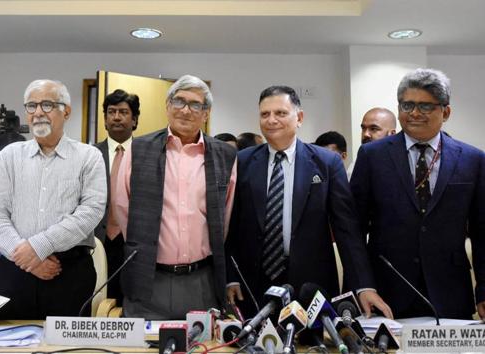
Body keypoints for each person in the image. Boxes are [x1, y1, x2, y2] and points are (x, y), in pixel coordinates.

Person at [226, 85, 392, 319]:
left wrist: (363, 285)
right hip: (252, 284)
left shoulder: (327, 163)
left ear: (299, 117)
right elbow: (231, 226)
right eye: (265, 114)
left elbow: (346, 230)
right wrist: (230, 276)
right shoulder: (242, 162)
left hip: (312, 286)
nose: (271, 120)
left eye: (281, 113)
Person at [351, 68, 485, 319]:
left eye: (425, 106)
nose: (414, 113)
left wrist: (484, 290)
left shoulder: (473, 160)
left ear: (445, 112)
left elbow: (482, 232)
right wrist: (362, 285)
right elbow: (353, 228)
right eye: (407, 105)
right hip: (385, 292)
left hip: (450, 293)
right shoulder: (372, 157)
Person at [114, 75, 237, 319]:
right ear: (168, 106)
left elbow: (226, 216)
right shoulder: (138, 149)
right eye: (179, 101)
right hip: (148, 279)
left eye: (195, 105)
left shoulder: (225, 156)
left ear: (206, 113)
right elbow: (123, 207)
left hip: (202, 281)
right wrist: (145, 248)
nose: (186, 110)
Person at [0, 79, 105, 319]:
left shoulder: (88, 156)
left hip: (68, 272)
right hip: (14, 266)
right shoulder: (9, 155)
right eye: (31, 106)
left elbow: (90, 211)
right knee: (8, 343)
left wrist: (38, 247)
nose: (38, 112)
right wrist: (28, 259)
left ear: (66, 111)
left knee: (65, 346)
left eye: (47, 105)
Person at [94, 89, 139, 305]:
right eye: (111, 112)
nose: (117, 117)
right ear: (105, 119)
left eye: (123, 112)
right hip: (97, 240)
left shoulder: (147, 154)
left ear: (135, 120)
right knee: (98, 301)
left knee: (132, 301)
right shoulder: (90, 155)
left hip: (134, 240)